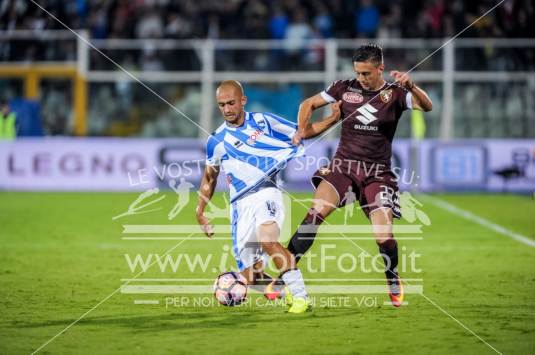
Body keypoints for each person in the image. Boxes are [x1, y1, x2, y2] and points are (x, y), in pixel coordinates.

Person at [288, 43, 433, 307]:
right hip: (343, 167)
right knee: (314, 215)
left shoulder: (396, 94)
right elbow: (309, 103)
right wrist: (300, 130)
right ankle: (285, 274)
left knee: (383, 236)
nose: (361, 79)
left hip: (377, 174)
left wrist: (412, 86)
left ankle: (392, 277)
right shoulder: (344, 88)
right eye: (358, 73)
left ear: (381, 68)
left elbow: (427, 106)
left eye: (366, 73)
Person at [196, 80, 340, 313]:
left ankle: (301, 297)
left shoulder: (263, 121)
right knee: (250, 276)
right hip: (240, 205)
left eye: (231, 103)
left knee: (268, 240)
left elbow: (301, 132)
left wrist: (332, 119)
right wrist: (200, 211)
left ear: (243, 101)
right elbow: (209, 178)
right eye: (221, 105)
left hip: (267, 190)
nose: (227, 109)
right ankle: (285, 294)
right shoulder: (215, 141)